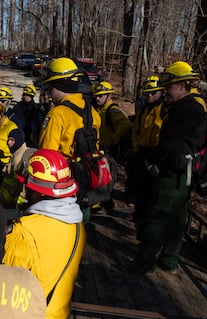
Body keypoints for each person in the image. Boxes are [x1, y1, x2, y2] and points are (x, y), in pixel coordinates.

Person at [3, 149, 86, 319]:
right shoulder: (77, 224)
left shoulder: (25, 233)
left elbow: (3, 283)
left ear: (37, 190)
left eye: (27, 186)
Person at [129, 61, 207, 274]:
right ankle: (170, 260)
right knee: (176, 218)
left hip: (172, 173)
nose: (165, 91)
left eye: (169, 86)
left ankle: (145, 261)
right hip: (184, 172)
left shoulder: (185, 110)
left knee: (158, 215)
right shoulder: (191, 108)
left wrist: (153, 161)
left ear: (182, 85)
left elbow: (171, 144)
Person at [37, 57, 101, 222]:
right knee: (81, 221)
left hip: (62, 185)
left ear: (60, 85)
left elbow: (46, 157)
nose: (49, 92)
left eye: (51, 86)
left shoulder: (57, 114)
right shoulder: (93, 112)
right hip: (87, 178)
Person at [128, 75, 165, 225]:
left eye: (153, 93)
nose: (149, 96)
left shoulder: (165, 110)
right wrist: (137, 147)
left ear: (161, 92)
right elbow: (136, 130)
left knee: (153, 191)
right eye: (147, 93)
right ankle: (139, 217)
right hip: (142, 152)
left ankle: (148, 222)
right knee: (140, 187)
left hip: (157, 156)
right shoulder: (144, 109)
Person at [91, 81, 131, 214]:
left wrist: (112, 140)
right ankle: (102, 204)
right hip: (98, 149)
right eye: (96, 95)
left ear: (109, 96)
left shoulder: (112, 110)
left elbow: (125, 125)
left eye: (101, 96)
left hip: (107, 150)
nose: (97, 98)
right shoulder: (98, 109)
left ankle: (104, 205)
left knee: (106, 178)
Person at [0, 128, 34, 210]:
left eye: (12, 140)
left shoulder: (19, 159)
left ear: (18, 141)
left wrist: (5, 199)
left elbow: (18, 185)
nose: (9, 143)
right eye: (8, 140)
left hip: (12, 199)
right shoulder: (17, 154)